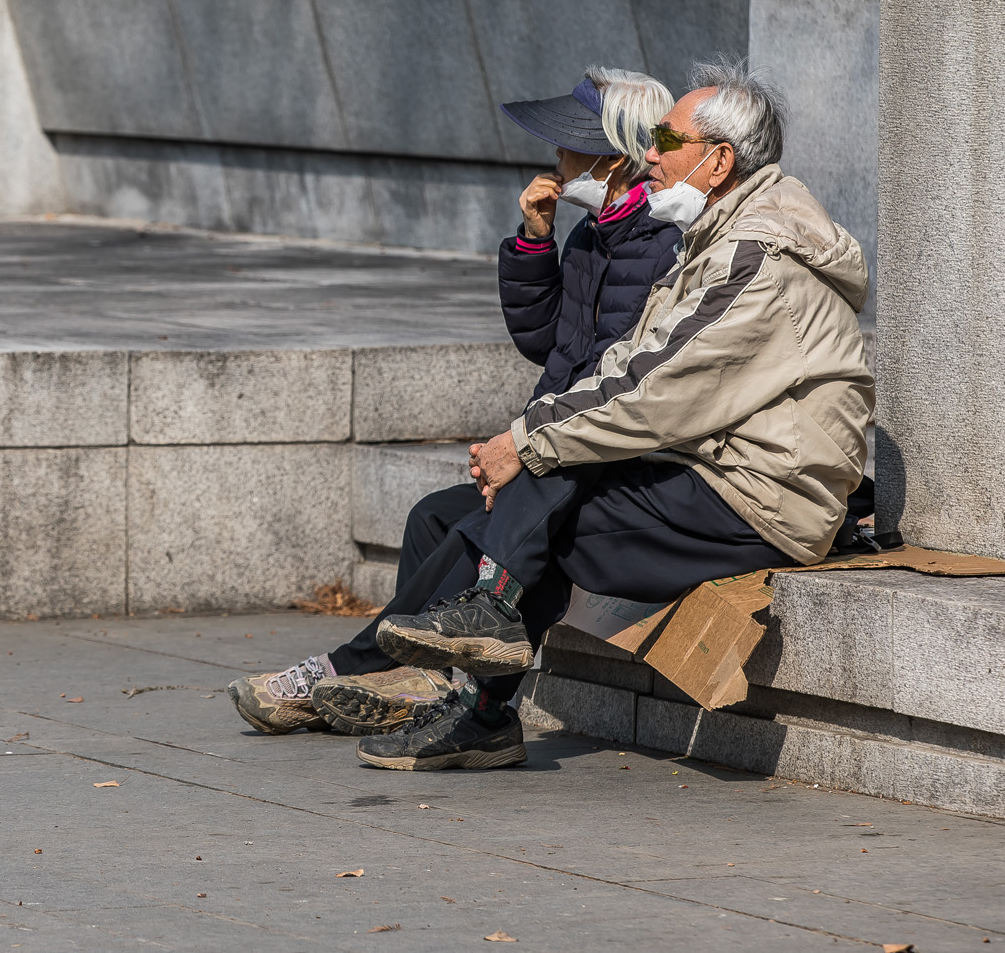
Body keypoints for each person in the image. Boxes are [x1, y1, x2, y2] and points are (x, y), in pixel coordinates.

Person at [350, 63, 873, 771]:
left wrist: (523, 442)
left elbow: (652, 390)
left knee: (551, 473)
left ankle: (478, 669)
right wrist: (532, 439)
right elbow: (628, 360)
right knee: (553, 468)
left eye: (667, 139)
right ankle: (481, 669)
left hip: (760, 500)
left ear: (720, 161)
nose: (649, 154)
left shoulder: (759, 260)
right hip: (710, 468)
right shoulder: (718, 235)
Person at [228, 68, 681, 735]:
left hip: (596, 458)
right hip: (554, 447)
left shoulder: (663, 243)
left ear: (614, 160)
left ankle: (349, 669)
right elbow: (547, 341)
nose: (556, 157)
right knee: (431, 519)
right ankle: (415, 679)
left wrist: (523, 450)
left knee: (472, 533)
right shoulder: (594, 234)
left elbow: (617, 382)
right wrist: (534, 241)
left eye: (569, 145)